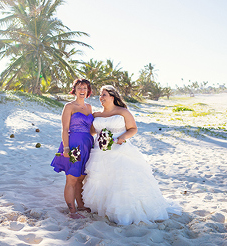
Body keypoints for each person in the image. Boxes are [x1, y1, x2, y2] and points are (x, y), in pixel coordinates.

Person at [82, 85, 181, 225]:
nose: (101, 97)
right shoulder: (96, 115)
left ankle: (124, 212)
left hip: (120, 150)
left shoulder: (123, 112)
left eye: (104, 94)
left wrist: (122, 137)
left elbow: (133, 129)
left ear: (112, 96)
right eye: (100, 95)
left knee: (121, 182)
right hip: (100, 152)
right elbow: (91, 132)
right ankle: (103, 209)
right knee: (102, 179)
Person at [50, 78, 94, 219]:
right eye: (79, 88)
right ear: (74, 90)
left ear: (88, 91)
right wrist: (66, 148)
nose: (82, 90)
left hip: (87, 144)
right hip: (74, 144)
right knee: (71, 178)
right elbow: (65, 129)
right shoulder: (69, 106)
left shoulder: (89, 107)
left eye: (85, 88)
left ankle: (80, 205)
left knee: (81, 177)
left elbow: (91, 129)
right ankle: (72, 211)